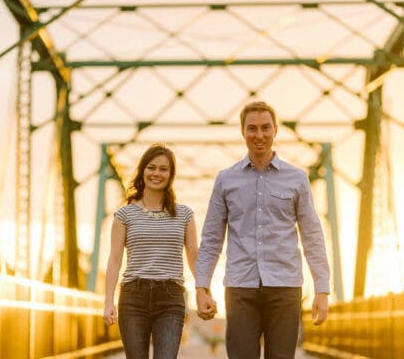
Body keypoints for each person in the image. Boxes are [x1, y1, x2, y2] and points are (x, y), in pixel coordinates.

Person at [195, 101, 330, 359]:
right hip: (240, 288)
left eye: (266, 128)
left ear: (276, 130)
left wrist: (322, 290)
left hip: (285, 287)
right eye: (252, 128)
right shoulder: (226, 179)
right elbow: (212, 238)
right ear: (242, 132)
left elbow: (312, 235)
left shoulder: (297, 178)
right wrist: (202, 286)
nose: (259, 135)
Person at [103, 144, 199, 359]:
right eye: (151, 167)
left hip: (170, 298)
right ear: (142, 171)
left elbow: (194, 256)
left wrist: (203, 291)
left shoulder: (184, 215)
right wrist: (109, 301)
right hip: (133, 297)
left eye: (163, 169)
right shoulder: (124, 215)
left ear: (171, 175)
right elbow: (115, 260)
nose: (156, 173)